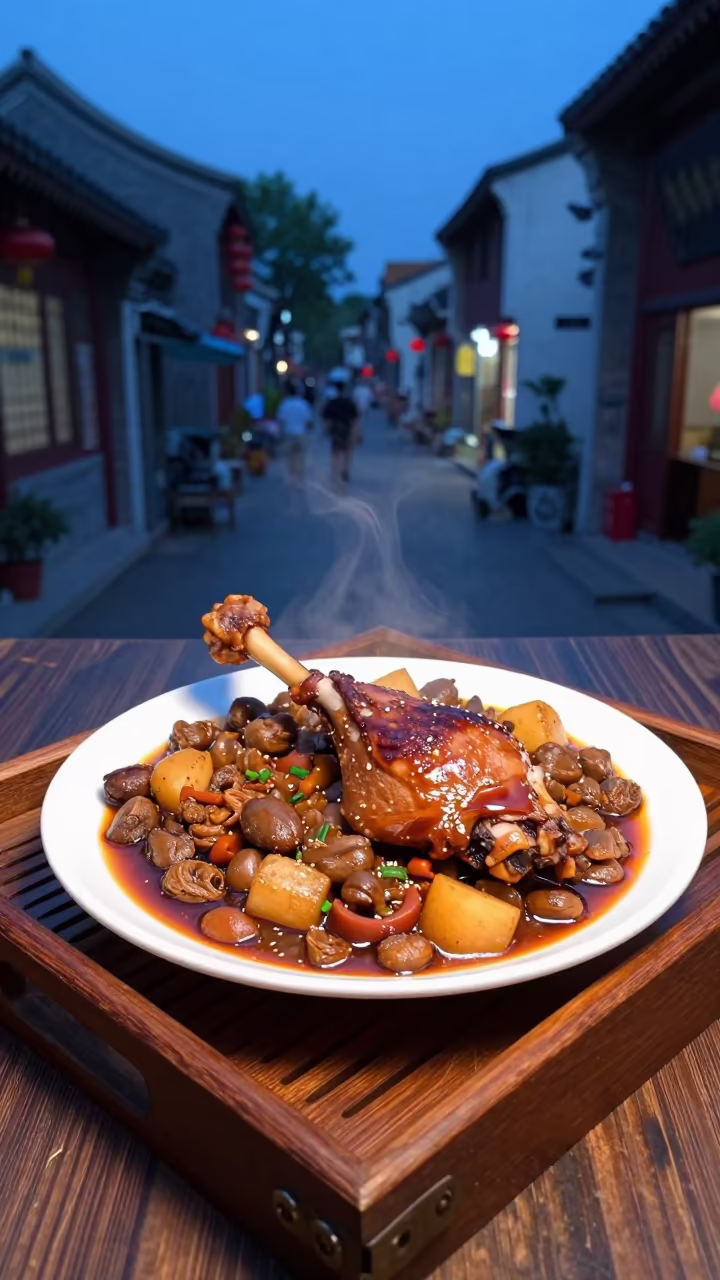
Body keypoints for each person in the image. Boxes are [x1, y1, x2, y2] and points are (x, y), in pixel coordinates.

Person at [323, 379, 358, 487]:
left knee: (335, 452)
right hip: (347, 429)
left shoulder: (332, 402)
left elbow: (326, 418)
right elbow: (355, 419)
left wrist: (326, 430)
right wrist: (356, 432)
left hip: (335, 429)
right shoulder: (349, 402)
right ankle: (345, 469)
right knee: (348, 451)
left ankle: (335, 472)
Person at [277, 380, 313, 483]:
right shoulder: (303, 404)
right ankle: (299, 477)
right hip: (301, 433)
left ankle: (291, 476)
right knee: (300, 456)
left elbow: (280, 420)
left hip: (288, 433)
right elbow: (309, 421)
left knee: (289, 456)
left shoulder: (284, 404)